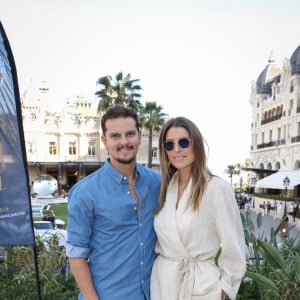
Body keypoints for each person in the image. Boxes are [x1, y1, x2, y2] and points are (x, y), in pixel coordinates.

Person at [66, 105, 161, 300]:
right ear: (104, 140)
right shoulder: (85, 192)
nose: (124, 142)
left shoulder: (157, 183)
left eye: (130, 134)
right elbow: (76, 255)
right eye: (115, 136)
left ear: (139, 136)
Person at [150, 117, 246, 300]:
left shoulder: (217, 188)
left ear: (197, 145)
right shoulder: (166, 187)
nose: (176, 149)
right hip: (163, 284)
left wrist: (221, 291)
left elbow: (235, 247)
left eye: (183, 142)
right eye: (169, 145)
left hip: (202, 287)